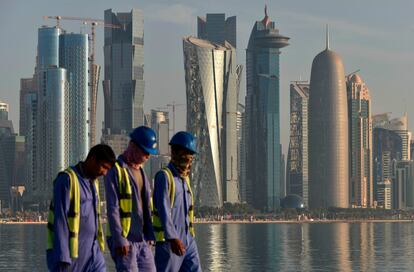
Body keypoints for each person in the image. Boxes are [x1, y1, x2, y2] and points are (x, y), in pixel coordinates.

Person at [46, 144, 116, 272]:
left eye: (108, 170)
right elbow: (60, 221)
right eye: (103, 167)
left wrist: (100, 250)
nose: (104, 173)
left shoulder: (93, 183)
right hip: (70, 258)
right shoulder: (67, 180)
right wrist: (63, 257)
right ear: (92, 159)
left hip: (94, 255)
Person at [105, 126, 157, 272]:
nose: (148, 156)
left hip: (142, 240)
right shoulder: (116, 170)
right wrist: (119, 238)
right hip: (124, 238)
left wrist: (149, 234)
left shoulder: (142, 172)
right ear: (133, 146)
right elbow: (112, 208)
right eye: (146, 152)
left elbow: (146, 206)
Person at [153, 131, 202, 272]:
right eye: (186, 153)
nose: (189, 158)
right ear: (174, 151)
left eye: (191, 154)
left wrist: (190, 237)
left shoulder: (185, 179)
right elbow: (163, 209)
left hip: (188, 240)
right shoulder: (164, 176)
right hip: (170, 242)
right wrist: (172, 237)